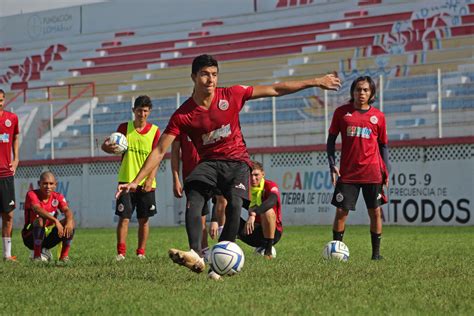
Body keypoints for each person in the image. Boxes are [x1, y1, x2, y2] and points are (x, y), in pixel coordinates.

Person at [116, 54, 341, 274]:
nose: (211, 79)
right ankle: (195, 252)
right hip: (209, 164)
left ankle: (221, 260)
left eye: (214, 74)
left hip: (237, 162)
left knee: (234, 204)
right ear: (193, 76)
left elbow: (275, 89)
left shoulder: (232, 94)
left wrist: (316, 82)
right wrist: (136, 181)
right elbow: (160, 149)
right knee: (193, 193)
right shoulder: (183, 115)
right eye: (205, 74)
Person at [326, 76, 389, 260]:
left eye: (365, 90)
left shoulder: (379, 117)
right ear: (352, 92)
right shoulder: (341, 113)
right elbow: (331, 140)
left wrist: (386, 171)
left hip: (372, 172)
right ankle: (336, 252)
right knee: (341, 212)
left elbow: (383, 146)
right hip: (348, 173)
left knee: (375, 212)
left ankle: (376, 255)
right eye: (358, 89)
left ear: (371, 94)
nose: (361, 93)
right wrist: (332, 164)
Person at [102, 95, 160, 261]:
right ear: (133, 111)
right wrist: (106, 147)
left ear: (149, 112)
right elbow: (108, 146)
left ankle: (141, 252)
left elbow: (157, 158)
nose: (142, 114)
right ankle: (121, 253)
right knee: (124, 218)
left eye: (145, 111)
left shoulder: (155, 131)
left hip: (146, 183)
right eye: (139, 110)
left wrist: (150, 179)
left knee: (144, 220)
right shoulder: (123, 128)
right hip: (126, 180)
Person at [171, 132, 226, 261]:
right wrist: (176, 179)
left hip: (213, 171)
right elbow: (174, 153)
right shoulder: (181, 123)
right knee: (199, 214)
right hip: (192, 177)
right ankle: (203, 251)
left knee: (222, 200)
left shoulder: (210, 118)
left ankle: (224, 247)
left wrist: (214, 220)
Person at [21, 171, 75, 262]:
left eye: (51, 184)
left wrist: (69, 222)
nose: (48, 187)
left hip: (47, 237)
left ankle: (64, 257)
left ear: (55, 185)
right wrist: (55, 221)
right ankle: (37, 256)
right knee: (40, 220)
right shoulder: (31, 194)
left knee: (71, 222)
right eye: (45, 183)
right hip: (30, 237)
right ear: (39, 184)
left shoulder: (58, 197)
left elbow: (66, 210)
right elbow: (37, 209)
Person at [238, 160, 282, 259]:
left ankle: (268, 250)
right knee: (231, 209)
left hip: (274, 234)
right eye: (250, 175)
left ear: (263, 174)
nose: (253, 178)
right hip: (253, 232)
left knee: (268, 210)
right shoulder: (245, 188)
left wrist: (253, 213)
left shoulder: (270, 185)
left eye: (256, 175)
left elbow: (272, 200)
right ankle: (226, 249)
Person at [0, 89, 19, 262]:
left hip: (6, 174)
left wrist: (16, 158)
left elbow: (15, 137)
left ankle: (7, 254)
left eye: (0, 100)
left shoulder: (11, 118)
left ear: (4, 100)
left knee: (9, 215)